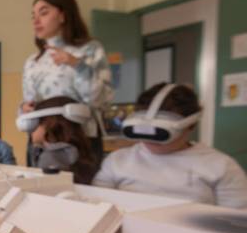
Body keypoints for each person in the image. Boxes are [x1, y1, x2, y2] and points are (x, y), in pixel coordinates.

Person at [93, 83, 247, 208]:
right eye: (143, 130)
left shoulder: (221, 166)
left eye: (160, 132)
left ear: (190, 125)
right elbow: (97, 205)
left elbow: (236, 221)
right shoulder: (117, 161)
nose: (150, 140)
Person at [22, 0, 114, 164]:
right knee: (41, 189)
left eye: (44, 13)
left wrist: (77, 65)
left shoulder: (90, 50)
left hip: (81, 138)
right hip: (43, 140)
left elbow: (101, 100)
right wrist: (24, 109)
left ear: (63, 15)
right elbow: (29, 104)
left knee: (82, 189)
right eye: (33, 15)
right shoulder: (33, 61)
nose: (36, 20)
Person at [27, 96, 99, 184]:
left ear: (49, 124)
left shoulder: (50, 157)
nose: (30, 130)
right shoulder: (76, 151)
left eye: (35, 122)